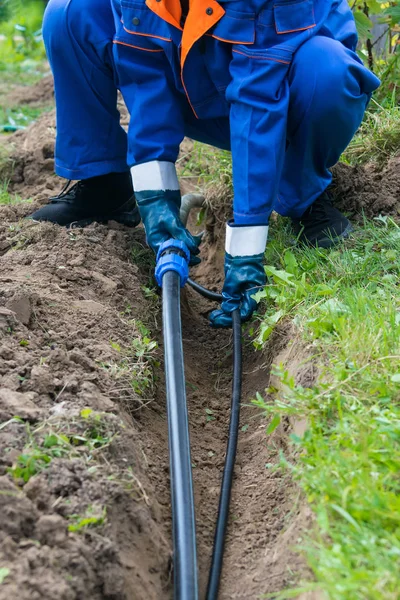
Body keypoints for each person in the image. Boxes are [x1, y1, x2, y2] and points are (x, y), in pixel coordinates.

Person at [32, 0, 380, 327]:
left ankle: (304, 194)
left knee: (328, 70)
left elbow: (258, 97)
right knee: (71, 10)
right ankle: (105, 182)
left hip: (290, 87)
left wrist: (246, 249)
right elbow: (145, 79)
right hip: (197, 79)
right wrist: (156, 200)